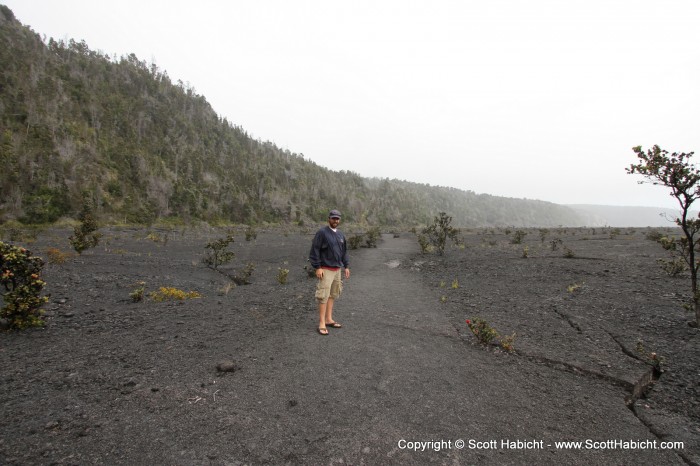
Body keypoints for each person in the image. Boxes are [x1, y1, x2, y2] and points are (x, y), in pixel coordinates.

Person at [309, 209, 351, 335]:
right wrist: (318, 267)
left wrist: (346, 266)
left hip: (337, 269)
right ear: (329, 219)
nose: (335, 220)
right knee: (323, 296)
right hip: (326, 269)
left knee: (333, 294)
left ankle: (328, 319)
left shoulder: (341, 235)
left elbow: (344, 252)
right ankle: (321, 323)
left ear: (340, 220)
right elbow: (315, 250)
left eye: (337, 218)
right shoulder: (322, 233)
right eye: (333, 218)